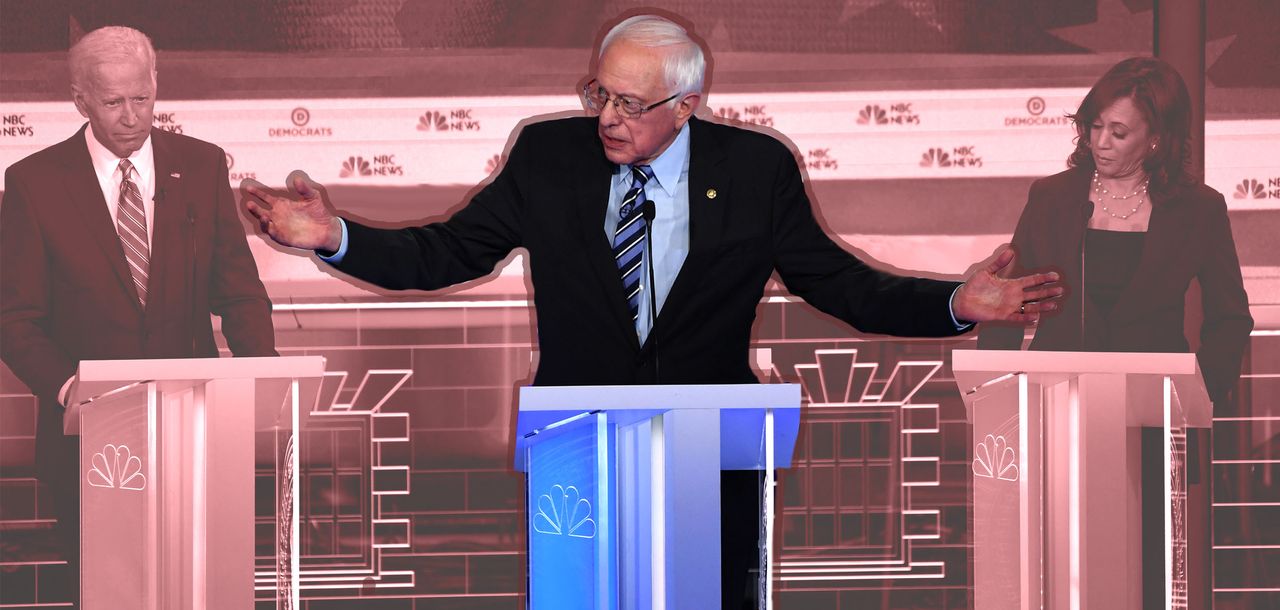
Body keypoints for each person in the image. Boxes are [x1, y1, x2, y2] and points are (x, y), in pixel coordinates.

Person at [242, 14, 1061, 609]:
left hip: (714, 452)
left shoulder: (754, 169)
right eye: (601, 93)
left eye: (632, 103)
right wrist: (334, 236)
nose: (607, 117)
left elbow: (839, 283)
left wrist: (954, 302)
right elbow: (448, 253)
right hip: (578, 445)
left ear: (688, 103)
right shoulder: (548, 156)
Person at [0, 26, 277, 607]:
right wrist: (70, 387)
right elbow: (14, 316)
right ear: (81, 101)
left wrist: (264, 373)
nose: (131, 116)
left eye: (142, 98)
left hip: (197, 429)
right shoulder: (33, 183)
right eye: (113, 102)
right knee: (109, 590)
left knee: (201, 586)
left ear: (156, 85)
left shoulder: (200, 166)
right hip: (89, 439)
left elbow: (238, 291)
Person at [978, 56, 1253, 609]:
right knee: (1053, 570)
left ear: (1155, 139)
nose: (1101, 141)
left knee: (1148, 578)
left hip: (1155, 422)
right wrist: (994, 404)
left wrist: (1198, 396)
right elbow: (1010, 303)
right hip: (1055, 417)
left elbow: (1231, 317)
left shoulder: (1198, 210)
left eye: (1118, 131)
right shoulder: (1053, 197)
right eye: (1094, 126)